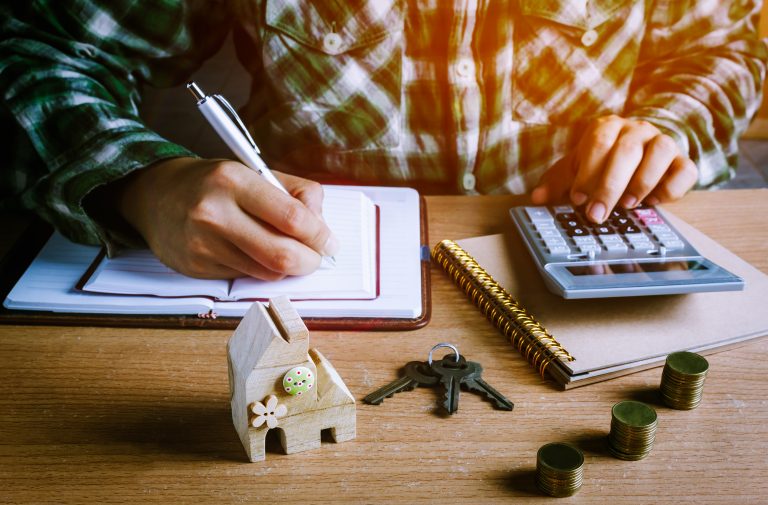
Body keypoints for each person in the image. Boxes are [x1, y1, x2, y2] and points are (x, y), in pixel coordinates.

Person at [1, 1, 765, 281]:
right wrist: (142, 181)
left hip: (575, 251)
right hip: (293, 272)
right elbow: (39, 45)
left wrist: (673, 126)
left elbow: (725, 45)